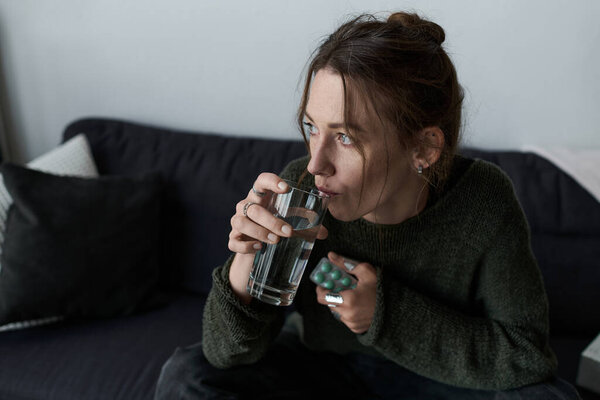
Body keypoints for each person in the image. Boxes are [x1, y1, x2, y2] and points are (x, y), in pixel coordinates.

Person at [154, 11, 581, 399]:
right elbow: (224, 356)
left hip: (443, 382)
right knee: (188, 375)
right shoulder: (298, 188)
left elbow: (527, 355)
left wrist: (382, 313)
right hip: (325, 371)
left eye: (345, 137)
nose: (317, 163)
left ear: (425, 147)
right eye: (311, 127)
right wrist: (244, 273)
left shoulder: (482, 200)